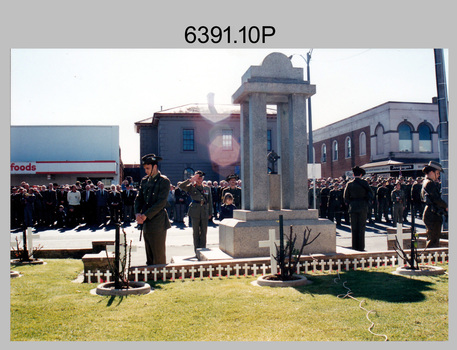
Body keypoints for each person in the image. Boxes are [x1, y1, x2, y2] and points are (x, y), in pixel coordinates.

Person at [134, 153, 171, 265]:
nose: (146, 171)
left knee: (158, 253)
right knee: (149, 252)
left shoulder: (164, 181)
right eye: (144, 168)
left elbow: (161, 202)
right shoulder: (145, 181)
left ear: (155, 167)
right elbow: (139, 199)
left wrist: (145, 215)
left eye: (148, 168)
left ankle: (160, 276)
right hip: (146, 221)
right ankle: (151, 277)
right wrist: (137, 214)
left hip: (158, 221)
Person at [178, 170, 213, 254]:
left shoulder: (206, 188)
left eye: (200, 178)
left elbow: (210, 201)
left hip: (204, 211)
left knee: (204, 232)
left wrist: (210, 213)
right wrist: (190, 180)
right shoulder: (191, 186)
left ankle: (203, 250)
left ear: (203, 179)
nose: (199, 179)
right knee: (196, 232)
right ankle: (197, 250)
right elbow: (181, 186)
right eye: (197, 178)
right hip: (195, 211)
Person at [343, 166, 373, 251]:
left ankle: (354, 246)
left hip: (353, 207)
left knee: (354, 228)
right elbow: (371, 194)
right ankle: (360, 247)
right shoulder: (364, 183)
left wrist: (351, 202)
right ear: (361, 175)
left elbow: (346, 197)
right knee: (361, 227)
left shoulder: (349, 184)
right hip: (363, 206)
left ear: (353, 174)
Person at [421, 161, 448, 248]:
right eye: (437, 173)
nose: (439, 175)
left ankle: (431, 258)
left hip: (431, 212)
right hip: (432, 214)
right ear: (432, 172)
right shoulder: (429, 183)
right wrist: (446, 206)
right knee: (433, 240)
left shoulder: (426, 182)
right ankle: (430, 258)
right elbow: (436, 199)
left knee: (433, 238)